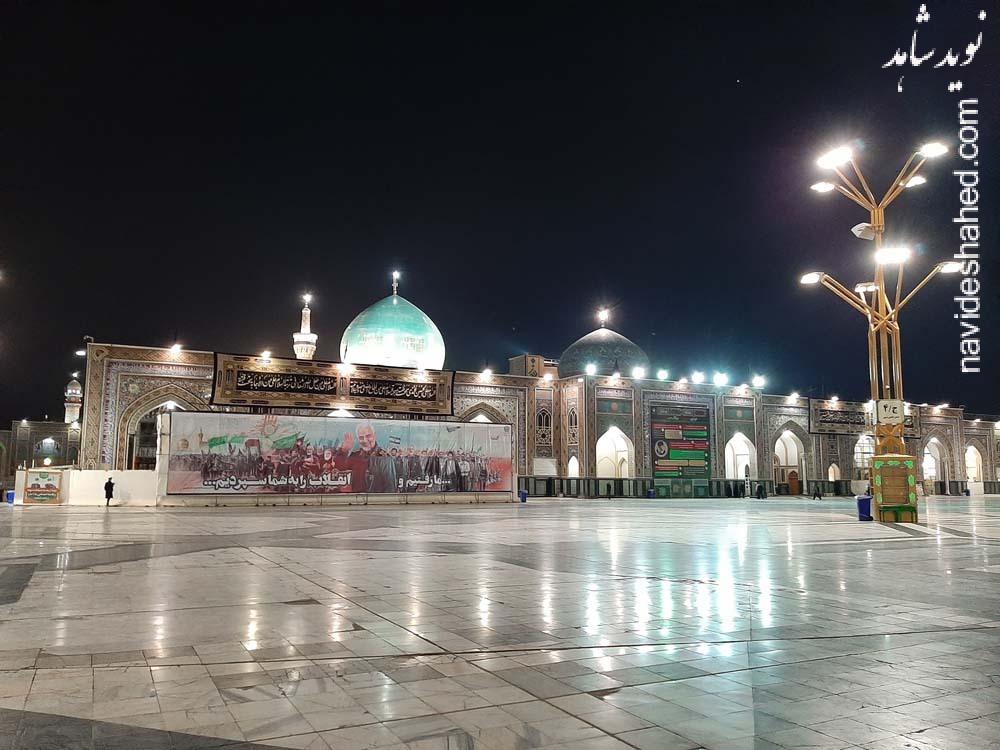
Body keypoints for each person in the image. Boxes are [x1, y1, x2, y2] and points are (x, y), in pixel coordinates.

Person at [334, 422, 397, 493]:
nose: (365, 440)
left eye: (368, 436)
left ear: (374, 435)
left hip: (375, 499)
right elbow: (339, 468)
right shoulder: (355, 456)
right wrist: (343, 451)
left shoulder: (385, 458)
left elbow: (390, 488)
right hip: (356, 499)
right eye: (361, 437)